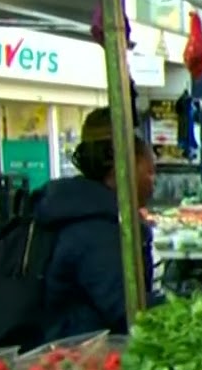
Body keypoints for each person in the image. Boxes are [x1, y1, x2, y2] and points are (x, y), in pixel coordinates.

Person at [33, 108, 158, 340]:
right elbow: (128, 309)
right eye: (149, 171)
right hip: (81, 354)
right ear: (122, 169)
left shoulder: (86, 209)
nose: (154, 181)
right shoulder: (97, 229)